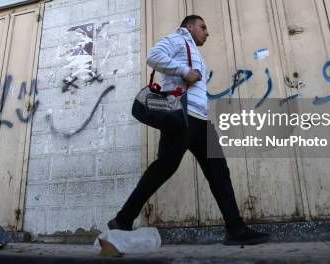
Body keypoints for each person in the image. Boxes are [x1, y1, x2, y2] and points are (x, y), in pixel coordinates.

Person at [108, 15, 270, 245]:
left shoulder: (193, 49)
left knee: (218, 172)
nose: (207, 32)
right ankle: (123, 219)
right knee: (164, 168)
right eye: (203, 27)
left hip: (200, 120)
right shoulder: (176, 39)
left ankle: (236, 228)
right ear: (190, 26)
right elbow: (153, 57)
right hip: (181, 117)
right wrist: (184, 71)